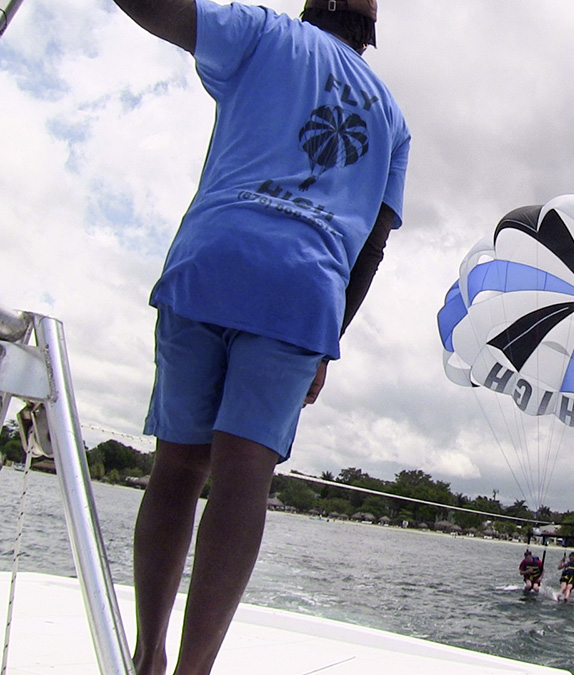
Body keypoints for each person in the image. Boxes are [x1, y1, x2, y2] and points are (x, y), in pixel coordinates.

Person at [110, 1, 410, 673]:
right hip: (304, 295)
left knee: (178, 465)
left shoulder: (265, 32)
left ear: (313, 6)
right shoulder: (393, 119)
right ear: (370, 30)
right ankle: (192, 671)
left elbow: (161, 10)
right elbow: (371, 250)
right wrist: (328, 338)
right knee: (244, 471)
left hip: (209, 260)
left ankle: (147, 657)